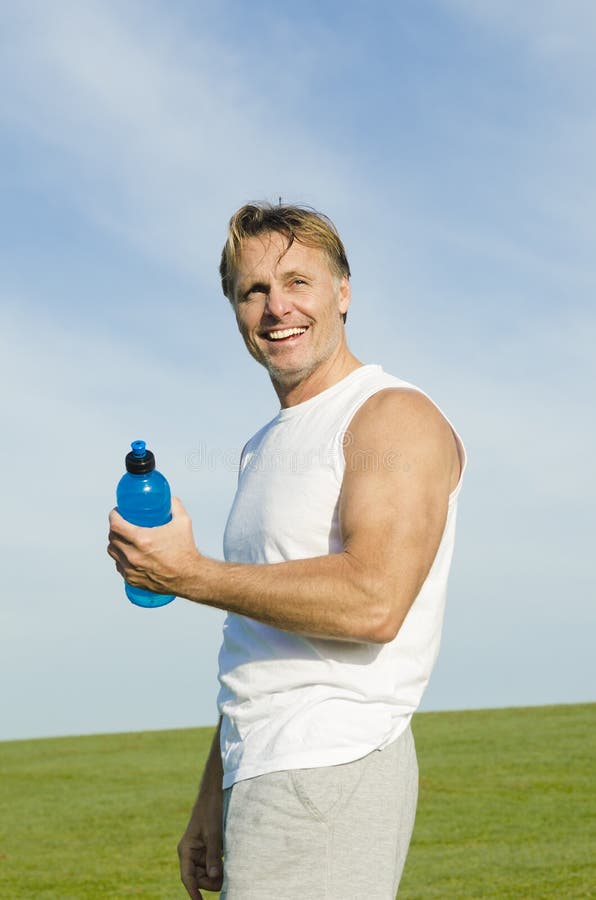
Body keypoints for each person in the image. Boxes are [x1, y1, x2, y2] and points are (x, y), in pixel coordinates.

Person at [107, 203, 466, 899]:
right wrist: (213, 795)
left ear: (343, 292)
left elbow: (375, 601)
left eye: (298, 282)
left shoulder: (391, 416)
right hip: (263, 766)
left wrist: (191, 574)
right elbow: (255, 638)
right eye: (254, 291)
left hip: (329, 764)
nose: (277, 308)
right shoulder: (264, 445)